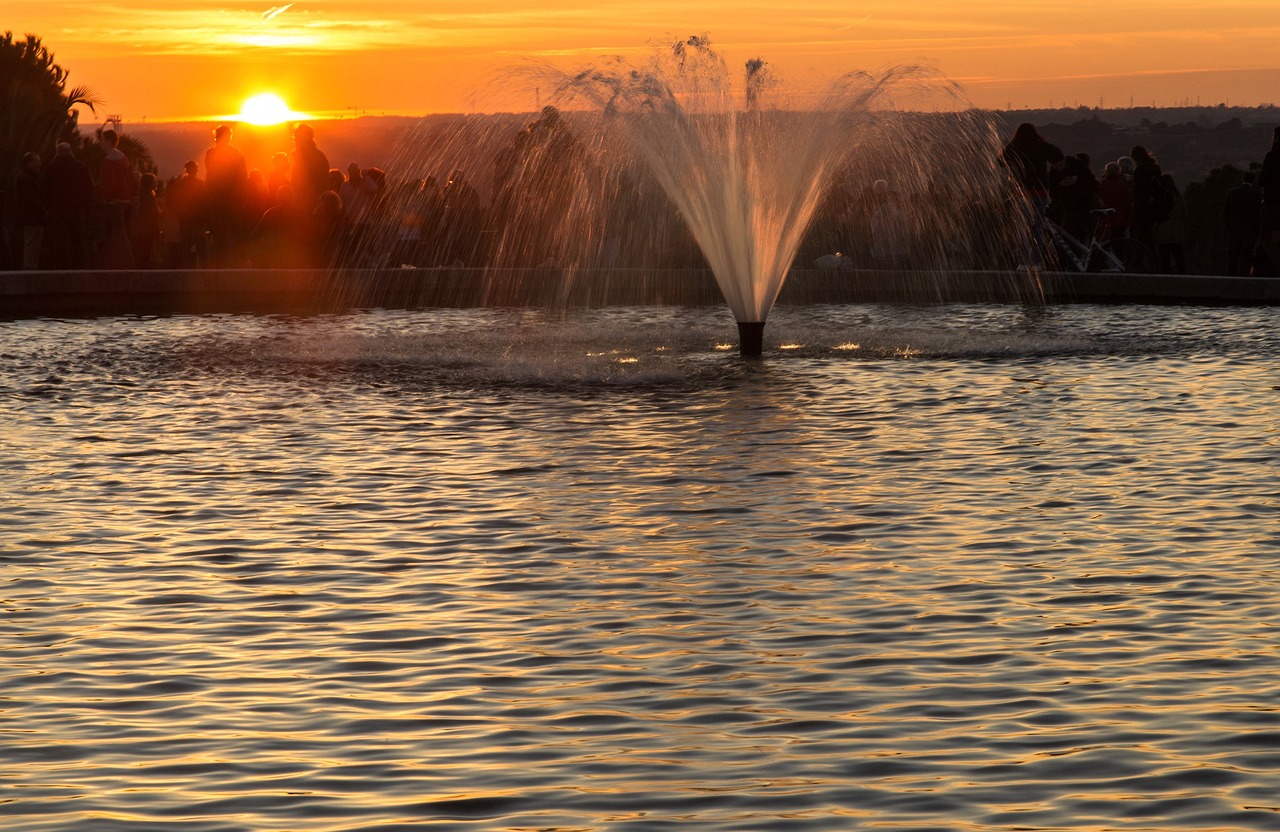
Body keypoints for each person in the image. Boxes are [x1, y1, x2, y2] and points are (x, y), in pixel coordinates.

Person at [1001, 122, 1064, 268]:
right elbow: (1057, 154)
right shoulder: (1041, 146)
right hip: (1040, 192)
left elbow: (1000, 161)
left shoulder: (1014, 147)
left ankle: (1022, 263)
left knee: (1022, 228)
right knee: (1037, 227)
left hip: (1021, 193)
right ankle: (1036, 262)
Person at [42, 142, 95, 269]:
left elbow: (44, 190)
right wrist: (85, 205)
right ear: (71, 151)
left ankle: (60, 267)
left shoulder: (50, 168)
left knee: (59, 241)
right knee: (78, 240)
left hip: (57, 211)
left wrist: (48, 207)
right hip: (77, 210)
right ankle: (79, 267)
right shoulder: (81, 167)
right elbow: (90, 188)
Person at [204, 124, 249, 266]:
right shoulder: (236, 154)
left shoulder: (211, 154)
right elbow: (243, 177)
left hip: (219, 198)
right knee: (236, 230)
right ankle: (242, 262)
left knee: (222, 233)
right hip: (229, 199)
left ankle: (222, 264)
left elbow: (210, 174)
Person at [97, 128, 136, 268]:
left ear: (108, 141)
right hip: (124, 200)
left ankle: (124, 263)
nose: (100, 142)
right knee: (119, 232)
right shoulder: (123, 158)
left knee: (117, 233)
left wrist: (107, 197)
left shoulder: (110, 161)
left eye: (102, 139)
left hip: (113, 201)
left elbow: (109, 183)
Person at [1223, 171, 1261, 276]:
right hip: (1250, 231)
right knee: (1246, 257)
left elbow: (1226, 213)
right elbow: (1258, 215)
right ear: (1253, 180)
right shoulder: (1256, 195)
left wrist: (1230, 227)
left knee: (1233, 257)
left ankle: (1230, 278)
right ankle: (1243, 278)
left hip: (1235, 230)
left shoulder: (1232, 193)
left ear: (1243, 178)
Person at [15, 152, 47, 269]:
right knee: (31, 245)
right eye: (37, 161)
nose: (40, 164)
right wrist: (43, 210)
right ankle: (29, 271)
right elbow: (31, 200)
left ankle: (31, 269)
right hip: (32, 218)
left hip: (33, 218)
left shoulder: (27, 177)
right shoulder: (26, 179)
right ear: (29, 163)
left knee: (33, 245)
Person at [1256, 126, 1280, 276]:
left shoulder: (1271, 156)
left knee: (1265, 235)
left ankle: (1276, 263)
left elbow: (1263, 180)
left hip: (1273, 205)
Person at [290, 123, 330, 211]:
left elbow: (319, 186)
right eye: (296, 138)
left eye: (299, 138)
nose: (296, 141)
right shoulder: (302, 158)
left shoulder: (315, 158)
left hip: (310, 207)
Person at [1155, 173, 1186, 273]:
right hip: (1176, 230)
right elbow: (1185, 212)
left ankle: (1165, 275)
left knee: (1164, 255)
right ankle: (1182, 274)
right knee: (1178, 254)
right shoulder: (1178, 196)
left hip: (1163, 228)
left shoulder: (1161, 196)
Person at [131, 172, 162, 269]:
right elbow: (151, 215)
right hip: (147, 231)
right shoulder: (148, 198)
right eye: (154, 181)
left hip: (141, 231)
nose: (156, 183)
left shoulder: (143, 196)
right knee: (146, 254)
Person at [1097, 161, 1134, 240]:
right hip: (1120, 221)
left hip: (1104, 221)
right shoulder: (1123, 187)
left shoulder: (1102, 186)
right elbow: (1128, 205)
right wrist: (1128, 221)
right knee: (1118, 244)